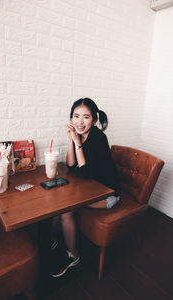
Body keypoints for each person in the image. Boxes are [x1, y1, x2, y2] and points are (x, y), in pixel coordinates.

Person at [50, 98, 120, 278]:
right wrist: (71, 139)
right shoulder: (79, 135)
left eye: (86, 117)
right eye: (76, 116)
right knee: (56, 203)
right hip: (90, 188)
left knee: (66, 211)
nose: (80, 121)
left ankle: (73, 256)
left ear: (94, 120)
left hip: (108, 194)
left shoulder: (98, 138)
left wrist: (77, 142)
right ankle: (53, 241)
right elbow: (71, 163)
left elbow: (87, 172)